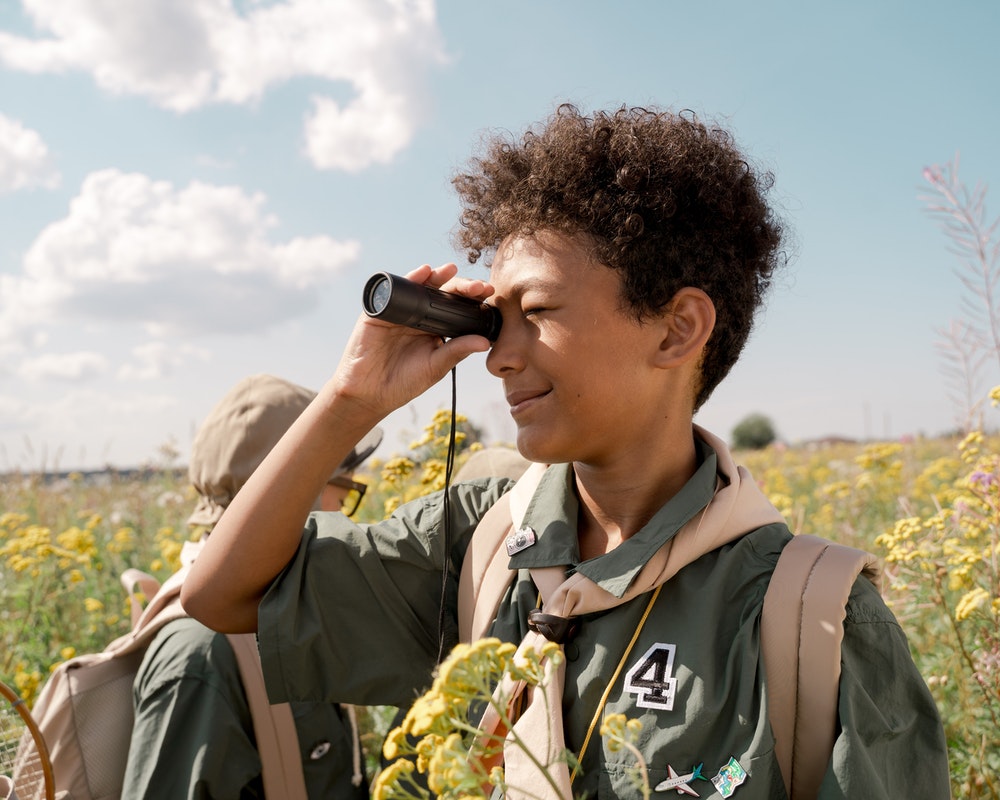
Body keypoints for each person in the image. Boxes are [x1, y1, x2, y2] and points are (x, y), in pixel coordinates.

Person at [182, 105, 950, 798]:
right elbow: (223, 597)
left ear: (678, 329)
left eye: (538, 311)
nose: (497, 357)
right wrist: (350, 398)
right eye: (494, 318)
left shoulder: (811, 619)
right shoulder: (480, 541)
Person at [123, 373, 381, 799]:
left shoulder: (277, 613)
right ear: (292, 495)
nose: (348, 513)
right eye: (345, 490)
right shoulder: (202, 653)